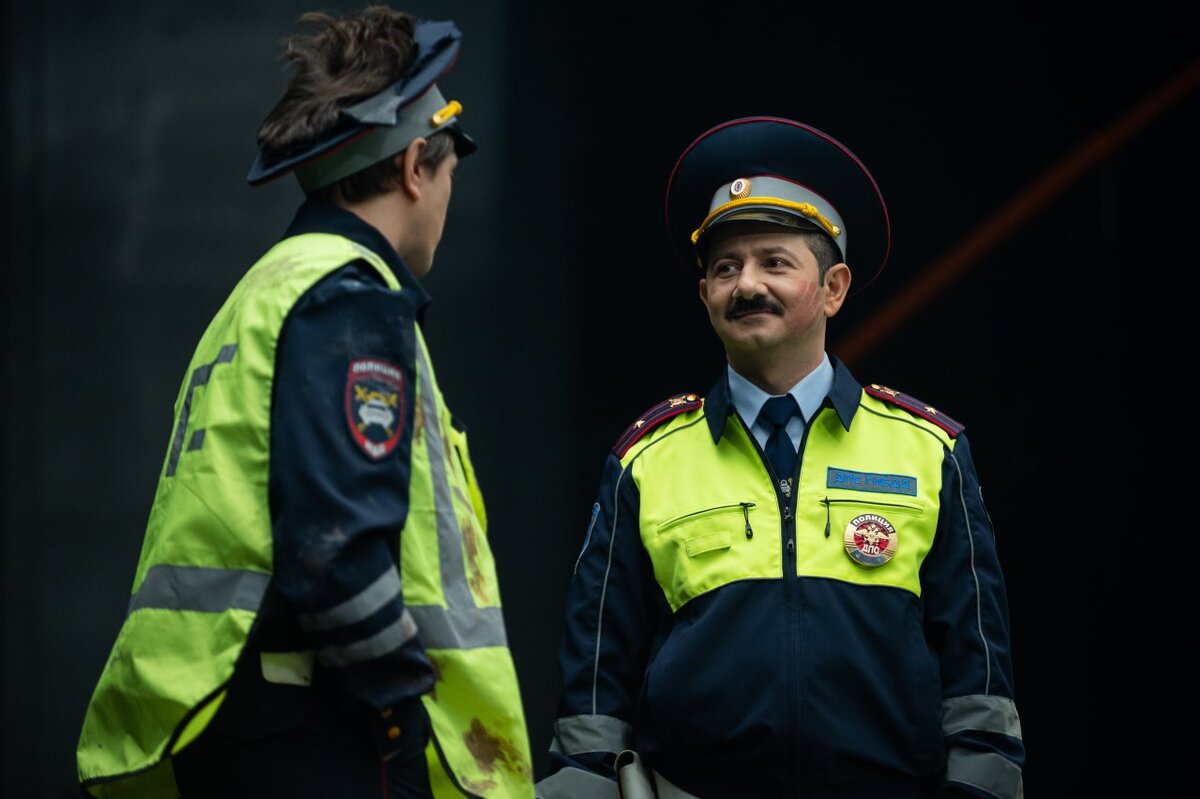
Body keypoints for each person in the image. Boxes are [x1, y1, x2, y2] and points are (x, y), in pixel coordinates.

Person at [75, 6, 533, 798]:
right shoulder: (349, 299)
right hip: (324, 736)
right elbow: (335, 553)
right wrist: (400, 705)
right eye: (451, 167)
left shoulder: (272, 286)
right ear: (417, 165)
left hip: (242, 723)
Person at [535, 117, 1025, 799]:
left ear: (833, 287)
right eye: (725, 267)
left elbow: (980, 681)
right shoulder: (645, 459)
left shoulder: (930, 448)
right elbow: (594, 689)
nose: (746, 284)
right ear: (704, 294)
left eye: (774, 261)